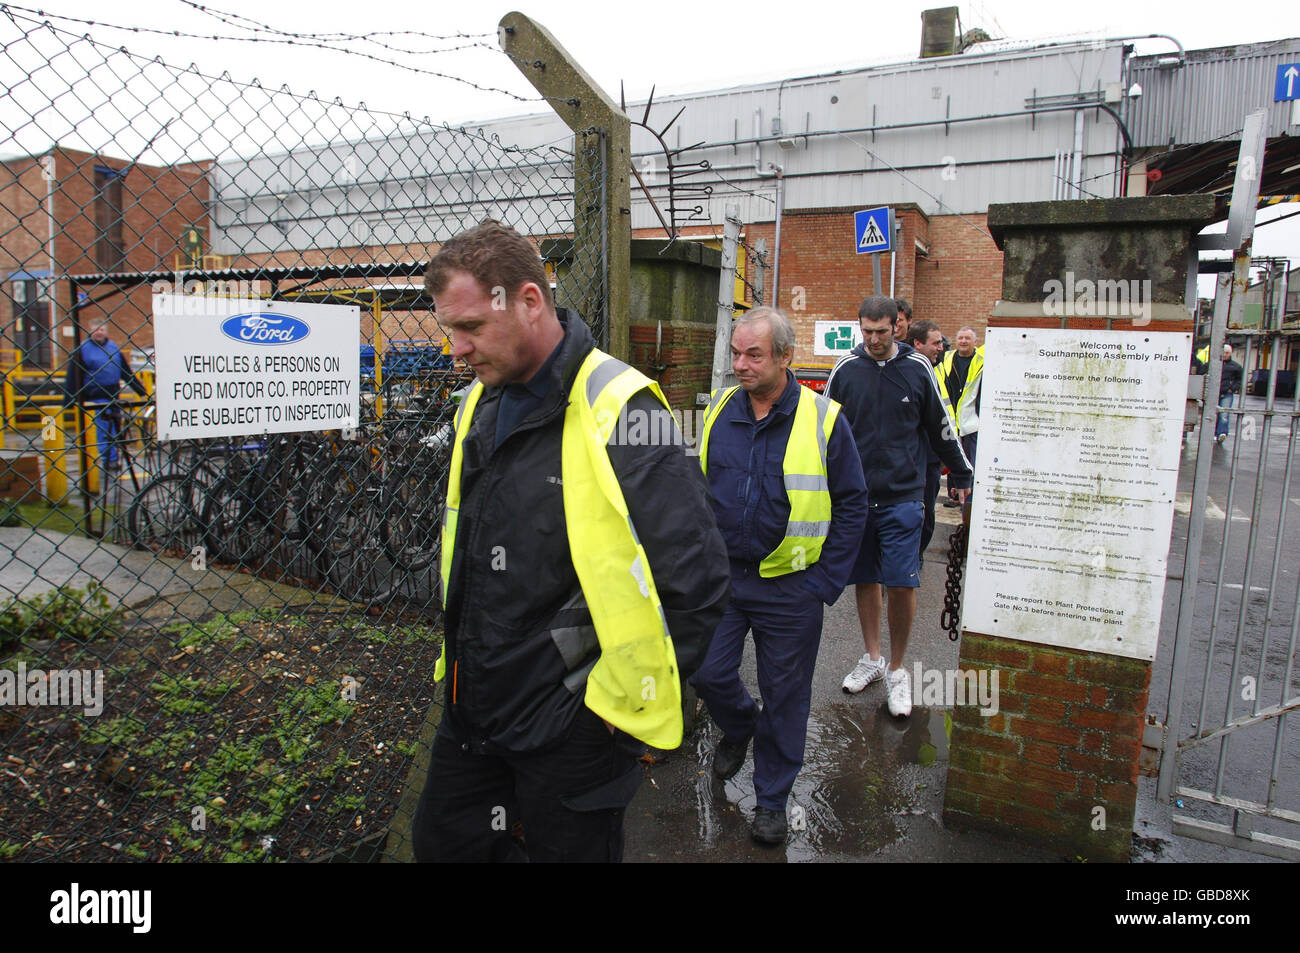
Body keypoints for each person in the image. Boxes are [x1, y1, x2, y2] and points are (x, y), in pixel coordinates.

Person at [411, 219, 730, 863]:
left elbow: (695, 581)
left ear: (529, 301)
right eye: (449, 330)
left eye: (470, 327)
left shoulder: (623, 408)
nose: (456, 350)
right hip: (475, 709)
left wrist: (607, 719)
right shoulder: (481, 401)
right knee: (442, 845)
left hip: (571, 734)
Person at [691, 307, 868, 845]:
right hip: (724, 580)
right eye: (736, 353)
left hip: (792, 586)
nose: (740, 365)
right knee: (705, 672)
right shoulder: (721, 407)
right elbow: (698, 486)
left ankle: (771, 799)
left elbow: (853, 503)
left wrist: (824, 582)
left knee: (786, 695)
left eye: (753, 355)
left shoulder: (824, 418)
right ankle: (740, 725)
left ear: (785, 357)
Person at [827, 295, 972, 718]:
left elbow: (941, 423)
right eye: (866, 331)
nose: (873, 339)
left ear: (898, 328)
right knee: (867, 577)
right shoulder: (845, 370)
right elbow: (825, 429)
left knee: (903, 581)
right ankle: (872, 657)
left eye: (881, 331)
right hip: (856, 497)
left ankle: (896, 668)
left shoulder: (918, 369)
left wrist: (961, 472)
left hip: (905, 495)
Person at [62, 322, 147, 469]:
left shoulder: (113, 348)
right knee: (104, 429)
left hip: (113, 395)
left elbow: (125, 372)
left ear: (106, 331)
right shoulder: (83, 350)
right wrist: (68, 399)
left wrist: (140, 389)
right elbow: (73, 376)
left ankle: (112, 457)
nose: (98, 332)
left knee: (115, 429)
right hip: (95, 397)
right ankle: (110, 459)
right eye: (95, 330)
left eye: (101, 329)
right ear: (90, 331)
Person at [904, 319, 945, 563]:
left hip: (930, 460)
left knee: (927, 516)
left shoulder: (936, 369)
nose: (941, 347)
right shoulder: (910, 373)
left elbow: (943, 419)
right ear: (918, 344)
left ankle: (914, 558)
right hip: (913, 461)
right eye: (936, 343)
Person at [936, 326, 983, 471]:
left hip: (971, 424)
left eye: (967, 338)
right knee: (952, 465)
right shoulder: (945, 359)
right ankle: (954, 492)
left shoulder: (981, 361)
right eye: (960, 338)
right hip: (950, 422)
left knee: (971, 466)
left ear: (975, 341)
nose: (963, 341)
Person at [1216, 344, 1244, 445]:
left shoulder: (1235, 367)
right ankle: (1217, 433)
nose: (1225, 355)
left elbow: (1240, 379)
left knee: (1224, 414)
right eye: (1224, 352)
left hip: (1226, 393)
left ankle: (1221, 433)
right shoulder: (1214, 363)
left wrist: (1232, 389)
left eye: (1227, 353)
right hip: (1215, 393)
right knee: (1214, 414)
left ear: (1230, 353)